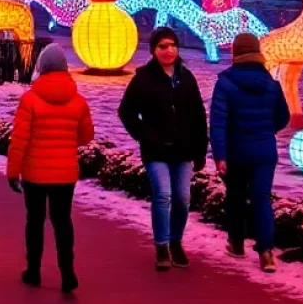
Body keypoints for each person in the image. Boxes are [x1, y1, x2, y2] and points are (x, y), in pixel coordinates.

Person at [118, 26, 208, 270]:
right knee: (163, 195)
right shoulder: (143, 79)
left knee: (182, 198)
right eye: (162, 46)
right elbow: (126, 112)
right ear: (154, 50)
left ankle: (176, 242)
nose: (168, 51)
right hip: (156, 151)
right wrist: (145, 135)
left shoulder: (186, 78)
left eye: (172, 46)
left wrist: (200, 150)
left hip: (184, 150)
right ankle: (161, 245)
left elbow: (199, 115)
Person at [6, 43, 94, 292]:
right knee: (62, 221)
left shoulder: (30, 99)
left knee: (35, 221)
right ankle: (68, 274)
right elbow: (86, 135)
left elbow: (19, 140)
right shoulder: (78, 101)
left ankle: (33, 271)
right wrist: (65, 142)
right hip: (65, 174)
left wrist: (13, 172)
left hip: (34, 174)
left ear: (41, 68)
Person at [210, 32, 290, 273]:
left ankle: (236, 243)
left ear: (235, 53)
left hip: (236, 150)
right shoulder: (271, 84)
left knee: (235, 197)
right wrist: (266, 131)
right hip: (265, 150)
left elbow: (218, 121)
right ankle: (266, 253)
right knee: (262, 199)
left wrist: (220, 155)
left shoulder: (225, 83)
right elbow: (283, 117)